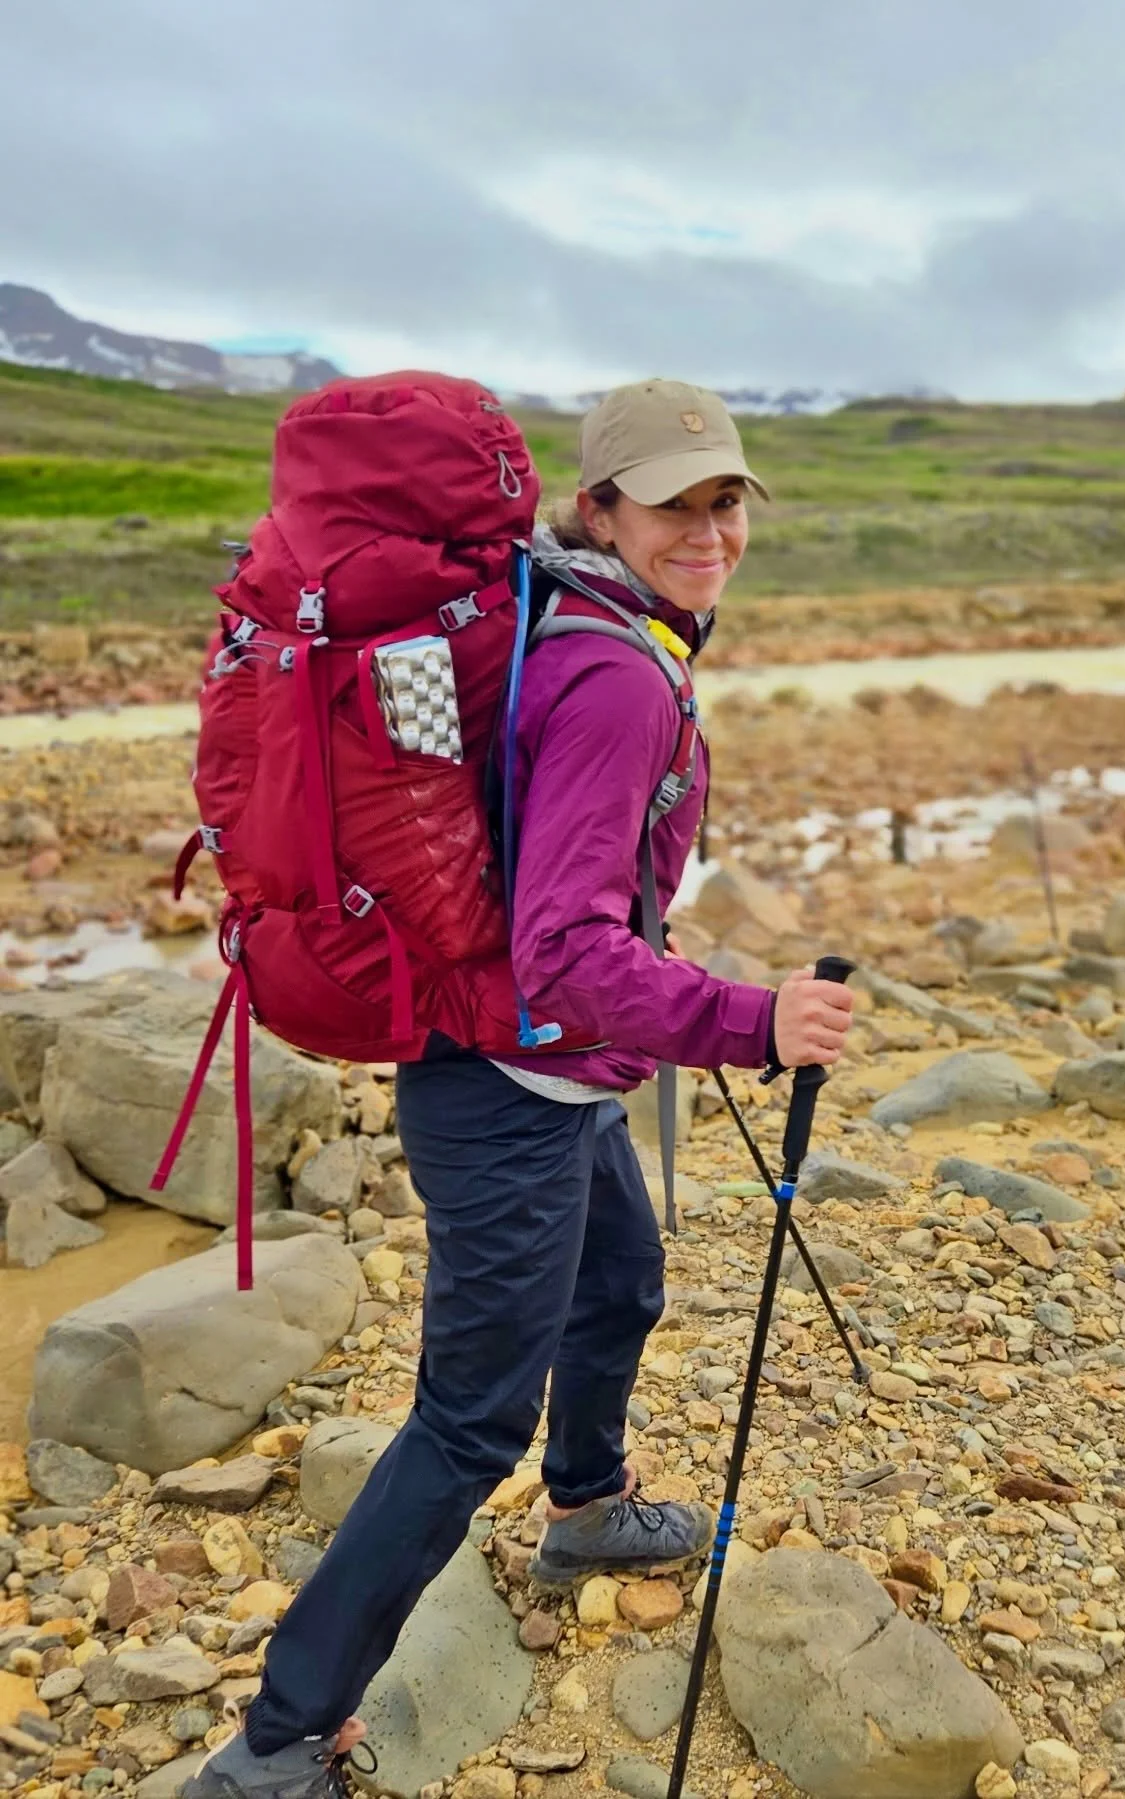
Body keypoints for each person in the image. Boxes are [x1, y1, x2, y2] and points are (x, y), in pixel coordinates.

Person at [188, 379, 855, 1799]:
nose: (712, 528)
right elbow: (565, 956)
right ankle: (278, 1736)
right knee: (464, 1418)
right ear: (598, 504)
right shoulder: (612, 671)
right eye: (677, 501)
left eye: (728, 498)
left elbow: (563, 891)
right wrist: (755, 1020)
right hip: (506, 1087)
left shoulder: (583, 614)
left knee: (620, 1280)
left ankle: (589, 1506)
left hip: (550, 1072)